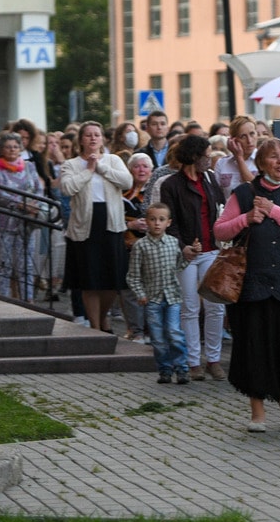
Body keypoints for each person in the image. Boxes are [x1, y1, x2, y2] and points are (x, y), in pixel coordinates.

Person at [215, 138, 280, 432]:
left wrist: (275, 212)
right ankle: (257, 412)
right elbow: (219, 230)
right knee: (253, 348)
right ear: (261, 163)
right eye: (274, 157)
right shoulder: (243, 193)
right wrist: (246, 218)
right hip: (252, 284)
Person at [159, 134, 227, 381]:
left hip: (211, 250)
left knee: (215, 306)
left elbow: (220, 210)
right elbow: (170, 221)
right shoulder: (171, 185)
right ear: (194, 157)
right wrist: (183, 247)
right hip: (186, 253)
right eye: (206, 156)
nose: (210, 160)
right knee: (189, 307)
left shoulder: (210, 180)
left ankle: (214, 359)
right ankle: (192, 361)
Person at [61, 121, 134, 331]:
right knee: (89, 278)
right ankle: (94, 325)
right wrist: (88, 170)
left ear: (102, 139)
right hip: (85, 226)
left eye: (97, 135)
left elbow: (126, 182)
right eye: (88, 135)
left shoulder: (113, 160)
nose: (93, 138)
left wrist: (100, 167)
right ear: (81, 140)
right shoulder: (71, 164)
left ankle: (103, 317)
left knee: (112, 281)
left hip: (111, 223)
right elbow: (67, 188)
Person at [126, 202, 194, 384]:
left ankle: (181, 368)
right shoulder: (140, 246)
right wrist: (140, 294)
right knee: (157, 337)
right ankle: (164, 369)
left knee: (174, 331)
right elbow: (132, 275)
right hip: (153, 299)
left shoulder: (173, 243)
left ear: (168, 223)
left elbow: (179, 266)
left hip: (172, 297)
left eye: (161, 220)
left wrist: (190, 257)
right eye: (153, 219)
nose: (157, 223)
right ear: (146, 221)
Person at [0, 132, 45, 300]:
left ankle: (28, 300)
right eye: (8, 147)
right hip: (4, 224)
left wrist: (34, 204)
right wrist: (22, 204)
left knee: (26, 264)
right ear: (2, 149)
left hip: (26, 223)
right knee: (4, 264)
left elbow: (38, 188)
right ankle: (3, 299)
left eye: (15, 147)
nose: (12, 150)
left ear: (21, 149)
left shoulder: (29, 167)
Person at [119, 152, 153, 341]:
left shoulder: (154, 191)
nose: (141, 170)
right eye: (137, 166)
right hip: (126, 246)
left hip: (150, 248)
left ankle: (149, 330)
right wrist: (129, 225)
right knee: (129, 290)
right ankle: (136, 330)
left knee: (150, 289)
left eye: (145, 166)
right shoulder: (121, 191)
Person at [215, 115, 260, 198]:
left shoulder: (263, 159)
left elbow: (254, 189)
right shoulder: (222, 163)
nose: (249, 141)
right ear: (233, 140)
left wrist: (239, 158)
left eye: (252, 134)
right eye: (243, 136)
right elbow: (217, 195)